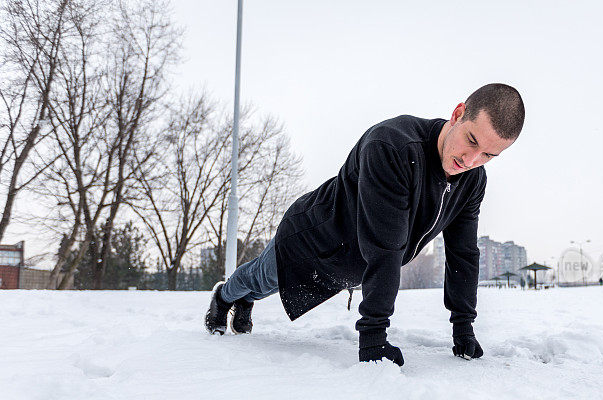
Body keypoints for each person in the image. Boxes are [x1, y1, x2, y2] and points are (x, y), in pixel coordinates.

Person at [205, 83, 525, 367]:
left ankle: (246, 299)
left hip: (355, 264)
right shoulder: (392, 147)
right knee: (262, 278)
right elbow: (386, 247)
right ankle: (226, 297)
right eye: (471, 141)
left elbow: (463, 254)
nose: (470, 160)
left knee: (264, 288)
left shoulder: (471, 181)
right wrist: (373, 336)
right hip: (312, 240)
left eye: (488, 155)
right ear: (458, 114)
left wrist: (464, 327)